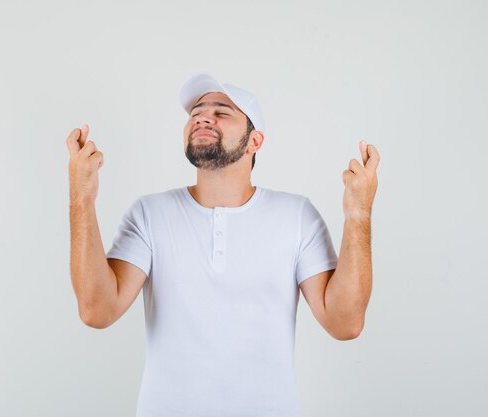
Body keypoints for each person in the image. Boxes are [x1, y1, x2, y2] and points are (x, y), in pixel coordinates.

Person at [66, 73, 380, 417]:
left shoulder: (296, 215)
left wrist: (358, 214)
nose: (203, 116)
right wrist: (82, 199)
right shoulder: (149, 214)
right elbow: (96, 310)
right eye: (196, 111)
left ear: (254, 141)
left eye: (222, 112)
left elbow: (345, 322)